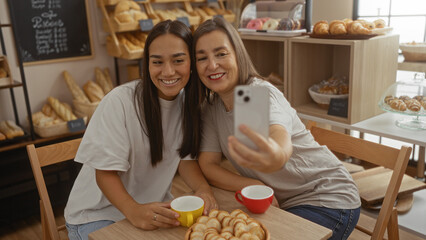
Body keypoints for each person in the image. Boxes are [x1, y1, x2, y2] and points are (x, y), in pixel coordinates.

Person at [193, 17, 361, 240]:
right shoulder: (213, 106)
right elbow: (209, 165)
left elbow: (278, 137)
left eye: (221, 54)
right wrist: (253, 183)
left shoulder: (253, 94)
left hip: (327, 198)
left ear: (238, 55)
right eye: (202, 58)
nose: (212, 65)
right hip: (281, 203)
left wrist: (277, 155)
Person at [64, 20, 217, 240]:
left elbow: (185, 159)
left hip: (153, 208)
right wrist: (134, 211)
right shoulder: (120, 102)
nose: (168, 71)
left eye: (178, 60)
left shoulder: (189, 104)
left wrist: (203, 188)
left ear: (191, 63)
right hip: (96, 216)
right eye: (157, 62)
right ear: (146, 64)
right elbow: (105, 174)